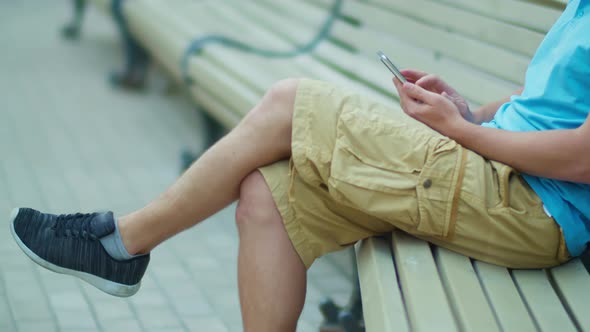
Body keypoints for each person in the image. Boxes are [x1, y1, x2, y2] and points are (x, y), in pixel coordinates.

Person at [9, 1, 589, 331]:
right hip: (496, 175)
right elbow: (548, 108)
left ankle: (120, 245)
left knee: (290, 102)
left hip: (529, 204)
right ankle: (118, 249)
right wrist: (468, 109)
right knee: (267, 196)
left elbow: (583, 156)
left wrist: (463, 132)